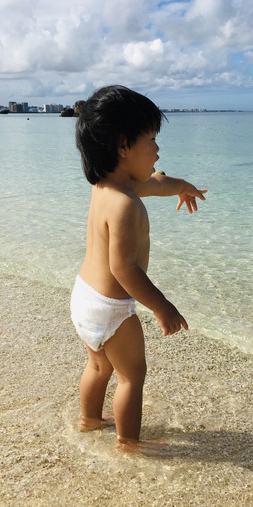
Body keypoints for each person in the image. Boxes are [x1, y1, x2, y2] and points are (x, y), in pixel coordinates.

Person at [71, 85, 207, 452]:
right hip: (112, 308)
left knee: (99, 367)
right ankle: (128, 442)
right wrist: (162, 307)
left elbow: (156, 182)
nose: (158, 149)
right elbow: (124, 269)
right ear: (123, 146)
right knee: (133, 376)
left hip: (85, 298)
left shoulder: (109, 186)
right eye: (152, 139)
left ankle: (89, 419)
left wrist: (183, 186)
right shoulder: (126, 205)